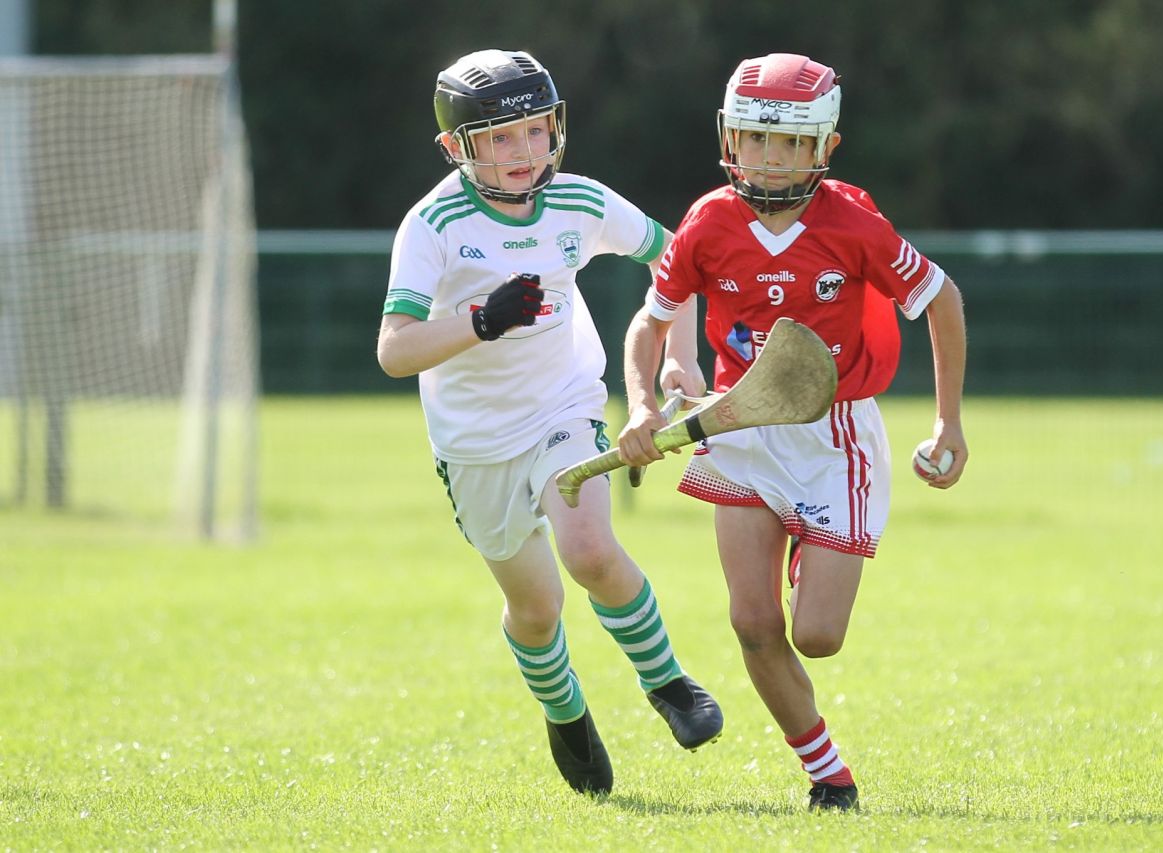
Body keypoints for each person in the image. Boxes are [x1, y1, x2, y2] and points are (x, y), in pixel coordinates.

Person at [618, 53, 968, 812]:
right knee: (750, 622)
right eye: (753, 141)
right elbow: (652, 320)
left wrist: (949, 421)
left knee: (817, 637)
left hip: (833, 437)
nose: (769, 161)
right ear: (728, 139)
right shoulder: (709, 220)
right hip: (741, 426)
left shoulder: (852, 224)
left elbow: (942, 298)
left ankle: (816, 548)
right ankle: (828, 775)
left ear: (824, 149)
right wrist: (644, 405)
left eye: (788, 145)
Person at [376, 49, 722, 796]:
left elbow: (679, 265)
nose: (523, 151)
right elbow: (395, 351)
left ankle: (669, 684)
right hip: (473, 443)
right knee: (536, 611)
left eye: (535, 130)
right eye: (500, 138)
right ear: (455, 147)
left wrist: (677, 360)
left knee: (591, 551)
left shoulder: (581, 201)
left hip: (564, 405)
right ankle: (565, 713)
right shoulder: (431, 224)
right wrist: (481, 320)